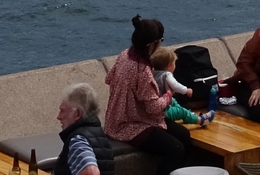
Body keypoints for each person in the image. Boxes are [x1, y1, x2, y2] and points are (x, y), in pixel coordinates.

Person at [105, 16, 190, 175]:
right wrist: (169, 94)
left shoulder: (124, 55)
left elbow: (108, 78)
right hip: (131, 125)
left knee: (183, 135)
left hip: (114, 119)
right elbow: (153, 107)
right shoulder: (142, 70)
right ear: (152, 44)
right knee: (176, 149)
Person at [57, 83, 119, 175]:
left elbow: (91, 172)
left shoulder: (78, 140)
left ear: (78, 114)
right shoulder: (99, 134)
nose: (59, 117)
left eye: (62, 111)